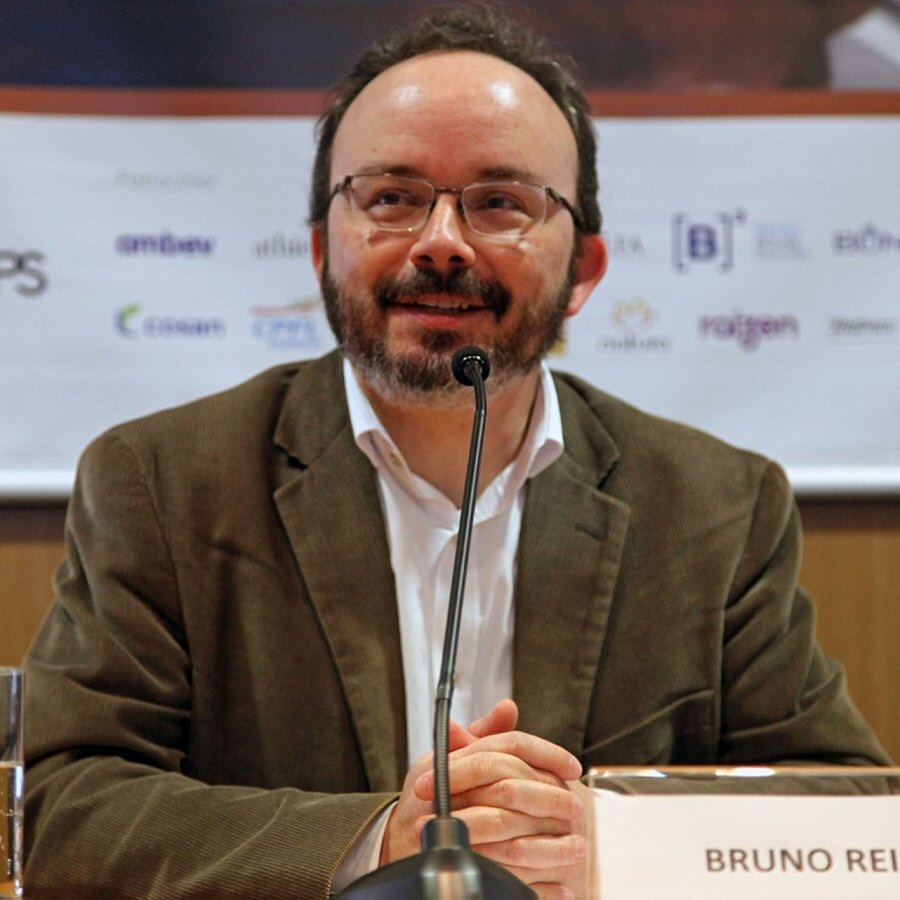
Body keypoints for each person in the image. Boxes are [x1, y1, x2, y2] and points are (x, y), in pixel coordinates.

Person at [22, 4, 890, 899]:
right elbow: (64, 808)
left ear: (584, 271)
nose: (441, 244)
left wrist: (605, 836)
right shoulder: (162, 483)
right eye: (392, 198)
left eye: (500, 202)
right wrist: (379, 841)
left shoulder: (716, 505)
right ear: (322, 249)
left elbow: (843, 809)